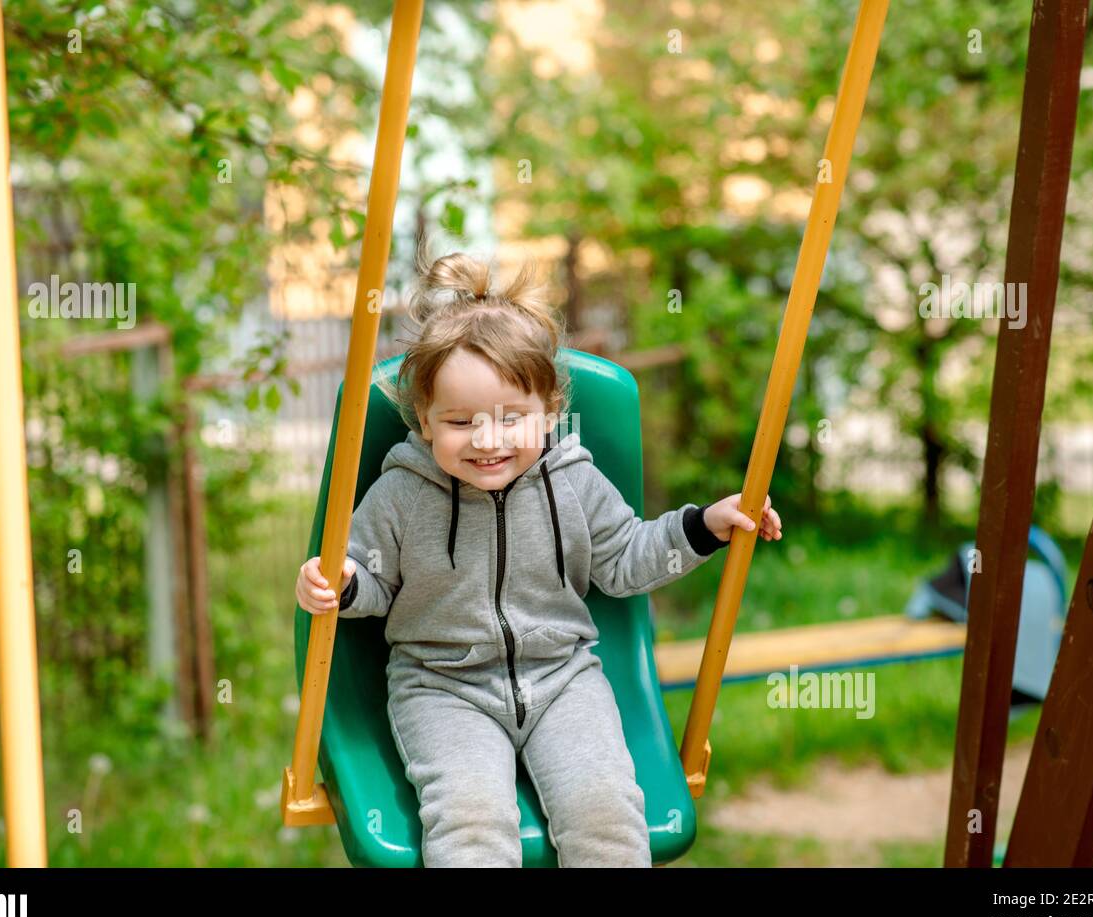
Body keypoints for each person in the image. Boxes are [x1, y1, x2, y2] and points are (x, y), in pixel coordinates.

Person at [296, 243, 781, 867]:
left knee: (606, 808)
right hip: (442, 687)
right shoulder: (401, 495)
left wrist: (705, 526)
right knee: (469, 822)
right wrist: (338, 582)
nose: (488, 441)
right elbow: (372, 581)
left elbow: (627, 560)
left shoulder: (573, 482)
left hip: (563, 679)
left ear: (551, 412)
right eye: (462, 422)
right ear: (424, 418)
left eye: (510, 418)